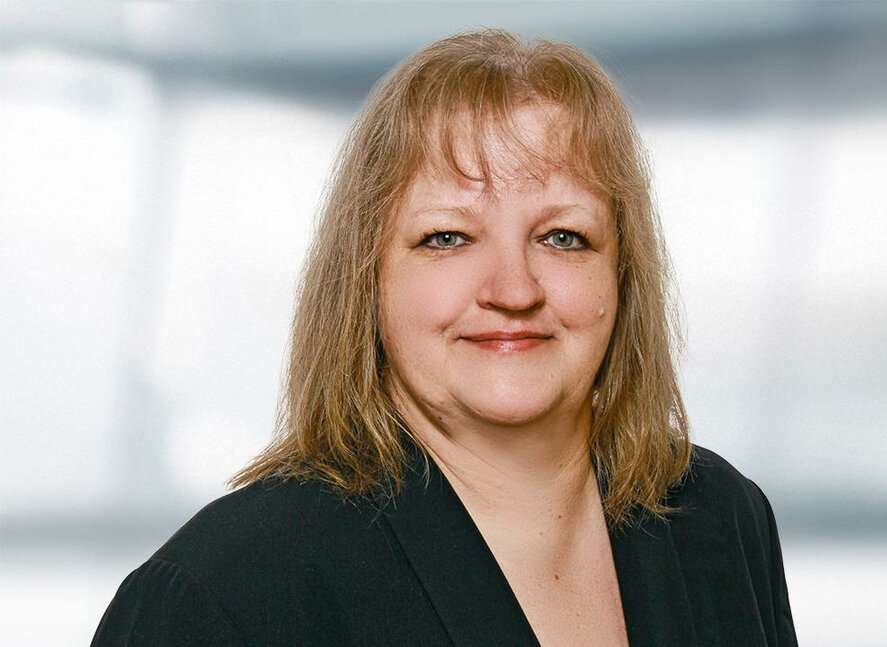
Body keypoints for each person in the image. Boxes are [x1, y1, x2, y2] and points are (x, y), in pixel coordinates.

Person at [92, 29, 797, 646]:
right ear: (366, 278)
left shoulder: (722, 520)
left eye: (563, 236)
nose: (514, 290)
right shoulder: (222, 591)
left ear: (622, 275)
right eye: (448, 237)